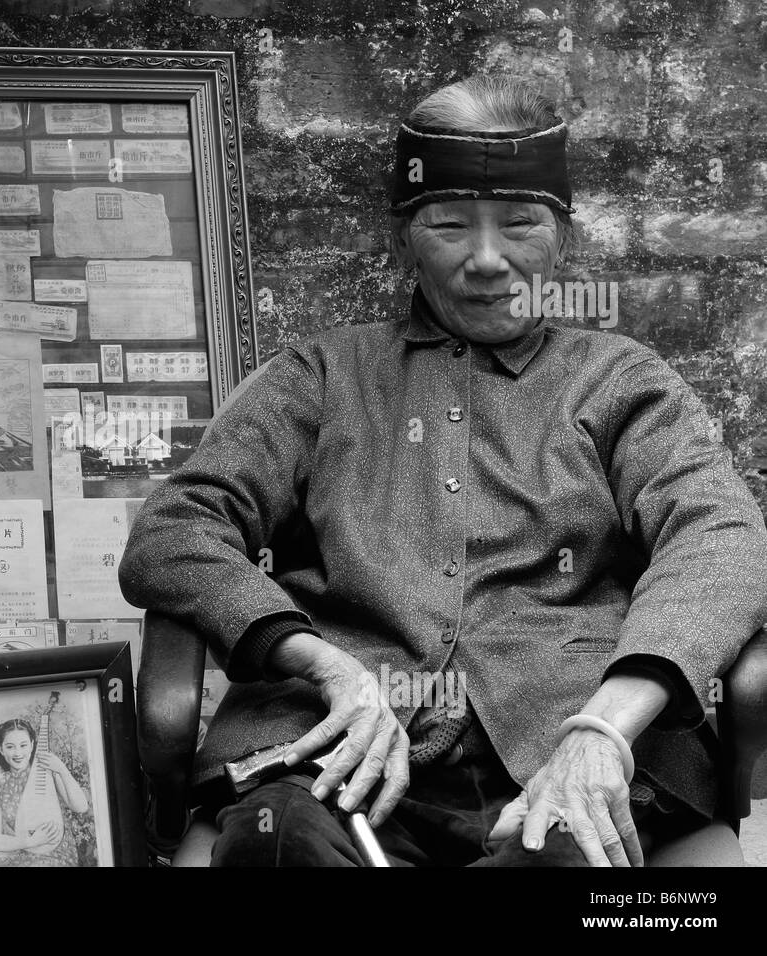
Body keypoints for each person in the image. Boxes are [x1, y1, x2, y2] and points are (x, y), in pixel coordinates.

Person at [118, 75, 767, 868]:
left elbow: (721, 534)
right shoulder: (321, 377)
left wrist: (605, 727)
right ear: (402, 239)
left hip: (568, 753)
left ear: (563, 239)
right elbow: (174, 532)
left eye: (520, 224)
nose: (487, 260)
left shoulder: (623, 380)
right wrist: (320, 662)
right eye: (450, 224)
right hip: (336, 762)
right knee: (278, 845)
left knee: (570, 849)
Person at [0, 718, 89, 867]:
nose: (18, 752)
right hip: (22, 856)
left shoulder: (48, 773)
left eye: (23, 745)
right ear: (1, 749)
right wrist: (31, 841)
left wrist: (62, 769)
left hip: (58, 855)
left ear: (32, 745)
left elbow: (81, 807)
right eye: (10, 746)